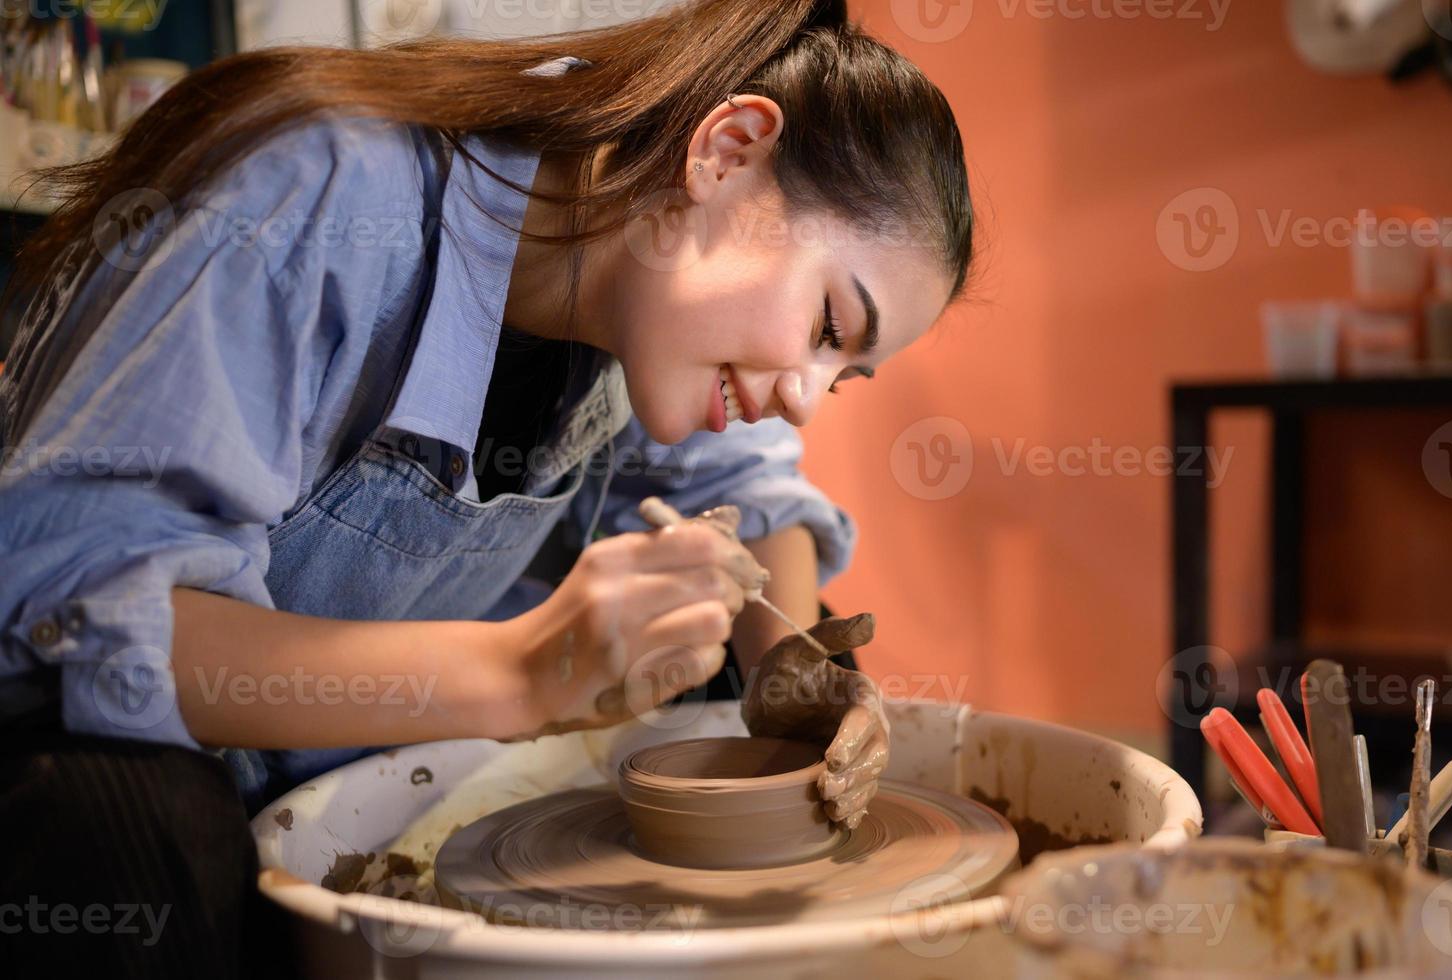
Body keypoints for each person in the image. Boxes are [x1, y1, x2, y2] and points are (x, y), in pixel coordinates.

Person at [0, 0, 973, 974]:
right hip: (86, 741)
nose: (806, 402)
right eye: (824, 324)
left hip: (343, 747)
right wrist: (523, 673)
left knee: (722, 637)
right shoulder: (317, 185)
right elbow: (86, 619)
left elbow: (747, 495)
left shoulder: (631, 290)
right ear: (725, 150)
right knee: (124, 817)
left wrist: (787, 679)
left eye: (841, 375)